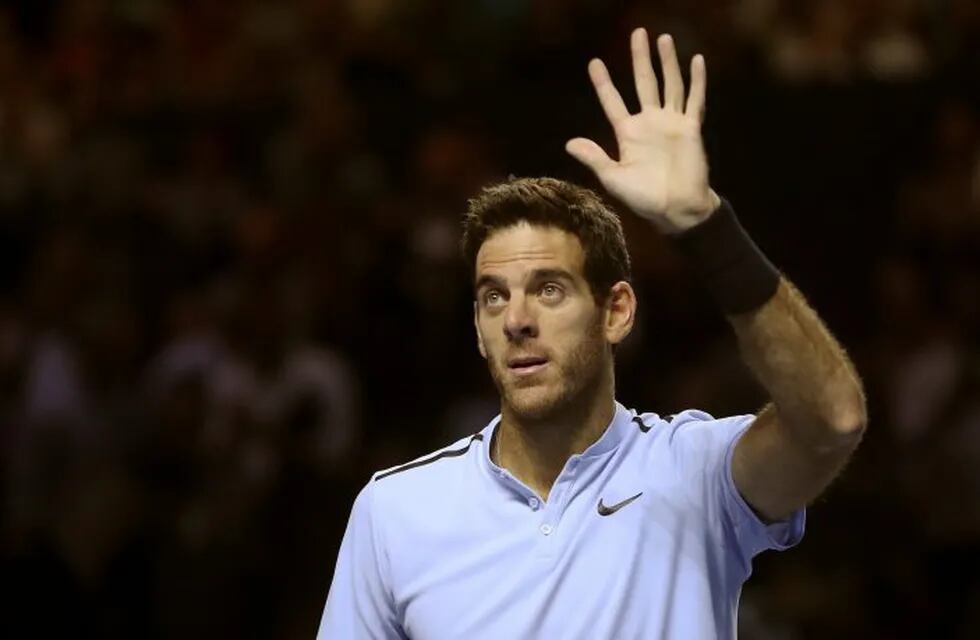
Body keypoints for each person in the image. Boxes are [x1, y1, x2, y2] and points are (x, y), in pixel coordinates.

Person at [317, 28, 866, 639]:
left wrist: (706, 225)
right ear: (477, 327)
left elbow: (833, 418)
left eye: (549, 289)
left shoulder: (695, 473)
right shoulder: (394, 512)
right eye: (493, 297)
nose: (517, 319)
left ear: (617, 312)